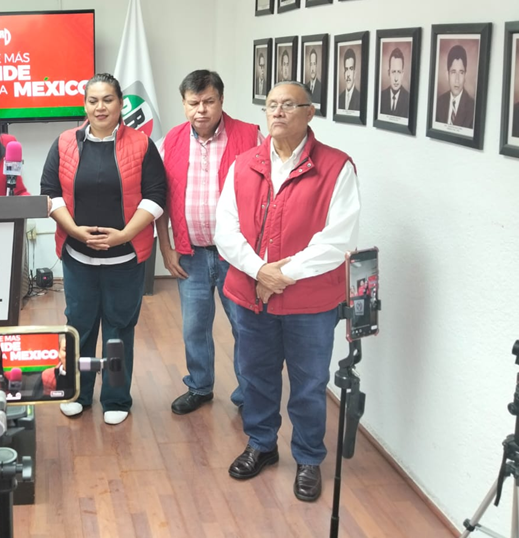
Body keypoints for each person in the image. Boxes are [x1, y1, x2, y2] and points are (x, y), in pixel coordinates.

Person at [215, 81, 361, 503]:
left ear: (310, 113)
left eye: (288, 105)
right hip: (251, 294)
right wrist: (259, 270)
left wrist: (283, 275)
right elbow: (226, 229)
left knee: (309, 383)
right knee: (255, 375)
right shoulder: (244, 164)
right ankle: (261, 444)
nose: (277, 112)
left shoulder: (336, 167)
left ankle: (309, 457)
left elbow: (338, 239)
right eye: (271, 105)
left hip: (309, 302)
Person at [40, 73, 166, 426]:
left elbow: (156, 196)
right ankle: (77, 393)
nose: (100, 107)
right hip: (78, 256)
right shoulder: (64, 142)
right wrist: (74, 231)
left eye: (108, 100)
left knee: (119, 328)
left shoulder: (142, 144)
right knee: (79, 326)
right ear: (84, 105)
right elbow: (50, 192)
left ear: (121, 104)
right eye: (93, 100)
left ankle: (116, 397)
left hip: (125, 258)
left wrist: (124, 235)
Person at [156, 71, 261, 415]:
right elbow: (157, 199)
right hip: (191, 254)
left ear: (221, 100)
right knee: (194, 327)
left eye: (208, 101)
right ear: (184, 104)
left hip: (238, 256)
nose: (201, 110)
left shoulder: (251, 136)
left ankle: (250, 394)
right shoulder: (169, 142)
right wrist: (166, 247)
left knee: (244, 326)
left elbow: (268, 194)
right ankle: (199, 386)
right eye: (193, 103)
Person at [435, 45, 476, 128]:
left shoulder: (473, 108)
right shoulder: (438, 103)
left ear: (465, 76)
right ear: (447, 75)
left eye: (461, 72)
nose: (457, 79)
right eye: (453, 72)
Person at [379, 48, 411, 117]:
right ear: (389, 73)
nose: (396, 79)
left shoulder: (408, 99)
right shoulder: (381, 97)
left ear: (402, 74)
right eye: (393, 72)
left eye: (399, 72)